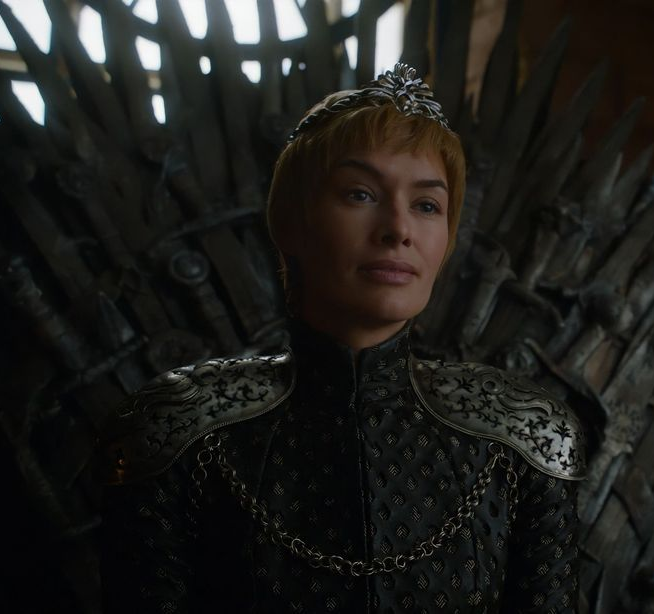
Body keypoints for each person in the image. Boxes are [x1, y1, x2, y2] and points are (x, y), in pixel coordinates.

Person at [100, 63, 585, 613]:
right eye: (360, 194)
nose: (398, 229)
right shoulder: (176, 434)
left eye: (427, 205)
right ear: (290, 224)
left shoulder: (526, 438)